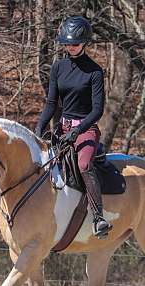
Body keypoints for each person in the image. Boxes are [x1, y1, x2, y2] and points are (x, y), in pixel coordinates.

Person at [35, 16, 112, 238]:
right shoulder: (58, 67)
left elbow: (97, 110)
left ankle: (98, 217)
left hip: (85, 129)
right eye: (67, 44)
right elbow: (52, 103)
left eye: (75, 44)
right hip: (62, 127)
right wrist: (39, 128)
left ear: (85, 43)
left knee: (84, 163)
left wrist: (77, 131)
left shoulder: (95, 72)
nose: (70, 47)